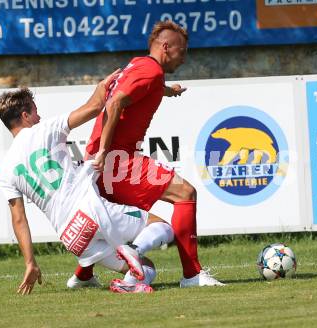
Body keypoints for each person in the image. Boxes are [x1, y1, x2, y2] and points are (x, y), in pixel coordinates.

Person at [73, 21, 225, 288]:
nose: (184, 57)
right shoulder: (151, 70)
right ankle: (192, 275)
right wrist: (106, 152)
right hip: (117, 159)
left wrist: (168, 91)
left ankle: (82, 277)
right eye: (182, 51)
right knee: (185, 193)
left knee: (103, 217)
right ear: (166, 47)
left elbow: (138, 89)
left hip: (103, 159)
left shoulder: (140, 65)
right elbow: (116, 102)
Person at [0, 73, 174, 294]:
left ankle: (127, 284)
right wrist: (102, 86)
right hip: (90, 210)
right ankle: (134, 250)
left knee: (148, 269)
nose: (39, 116)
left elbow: (19, 219)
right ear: (25, 115)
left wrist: (30, 262)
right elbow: (95, 107)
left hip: (72, 237)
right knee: (163, 228)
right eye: (35, 111)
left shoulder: (5, 170)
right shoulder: (44, 129)